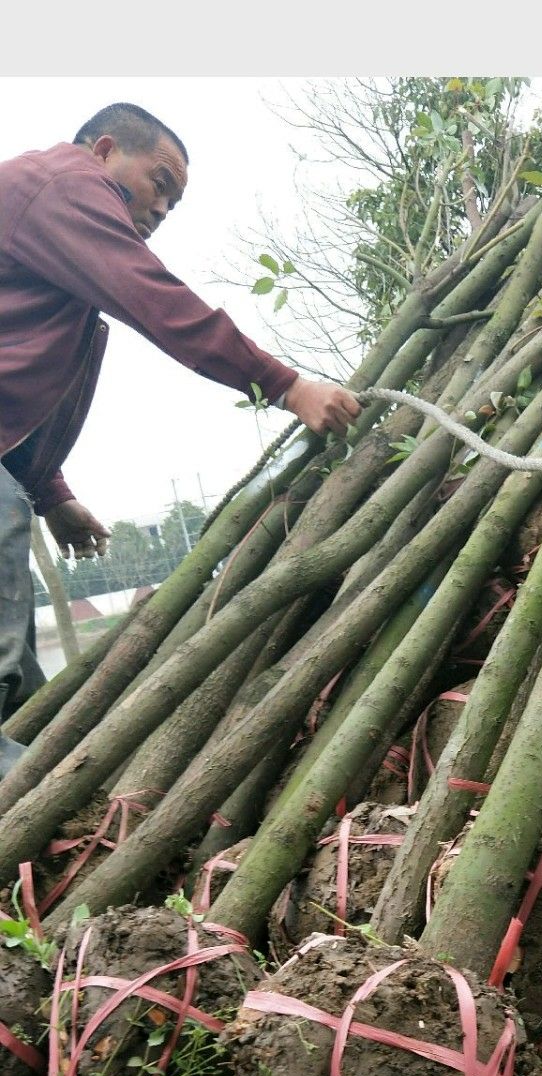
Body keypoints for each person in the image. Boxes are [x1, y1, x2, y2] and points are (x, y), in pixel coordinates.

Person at [0, 102, 362, 776]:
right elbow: (156, 301)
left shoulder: (48, 230)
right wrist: (285, 385)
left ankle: (29, 770)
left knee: (11, 636)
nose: (162, 210)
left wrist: (51, 493)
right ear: (104, 150)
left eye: (174, 204)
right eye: (160, 183)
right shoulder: (63, 182)